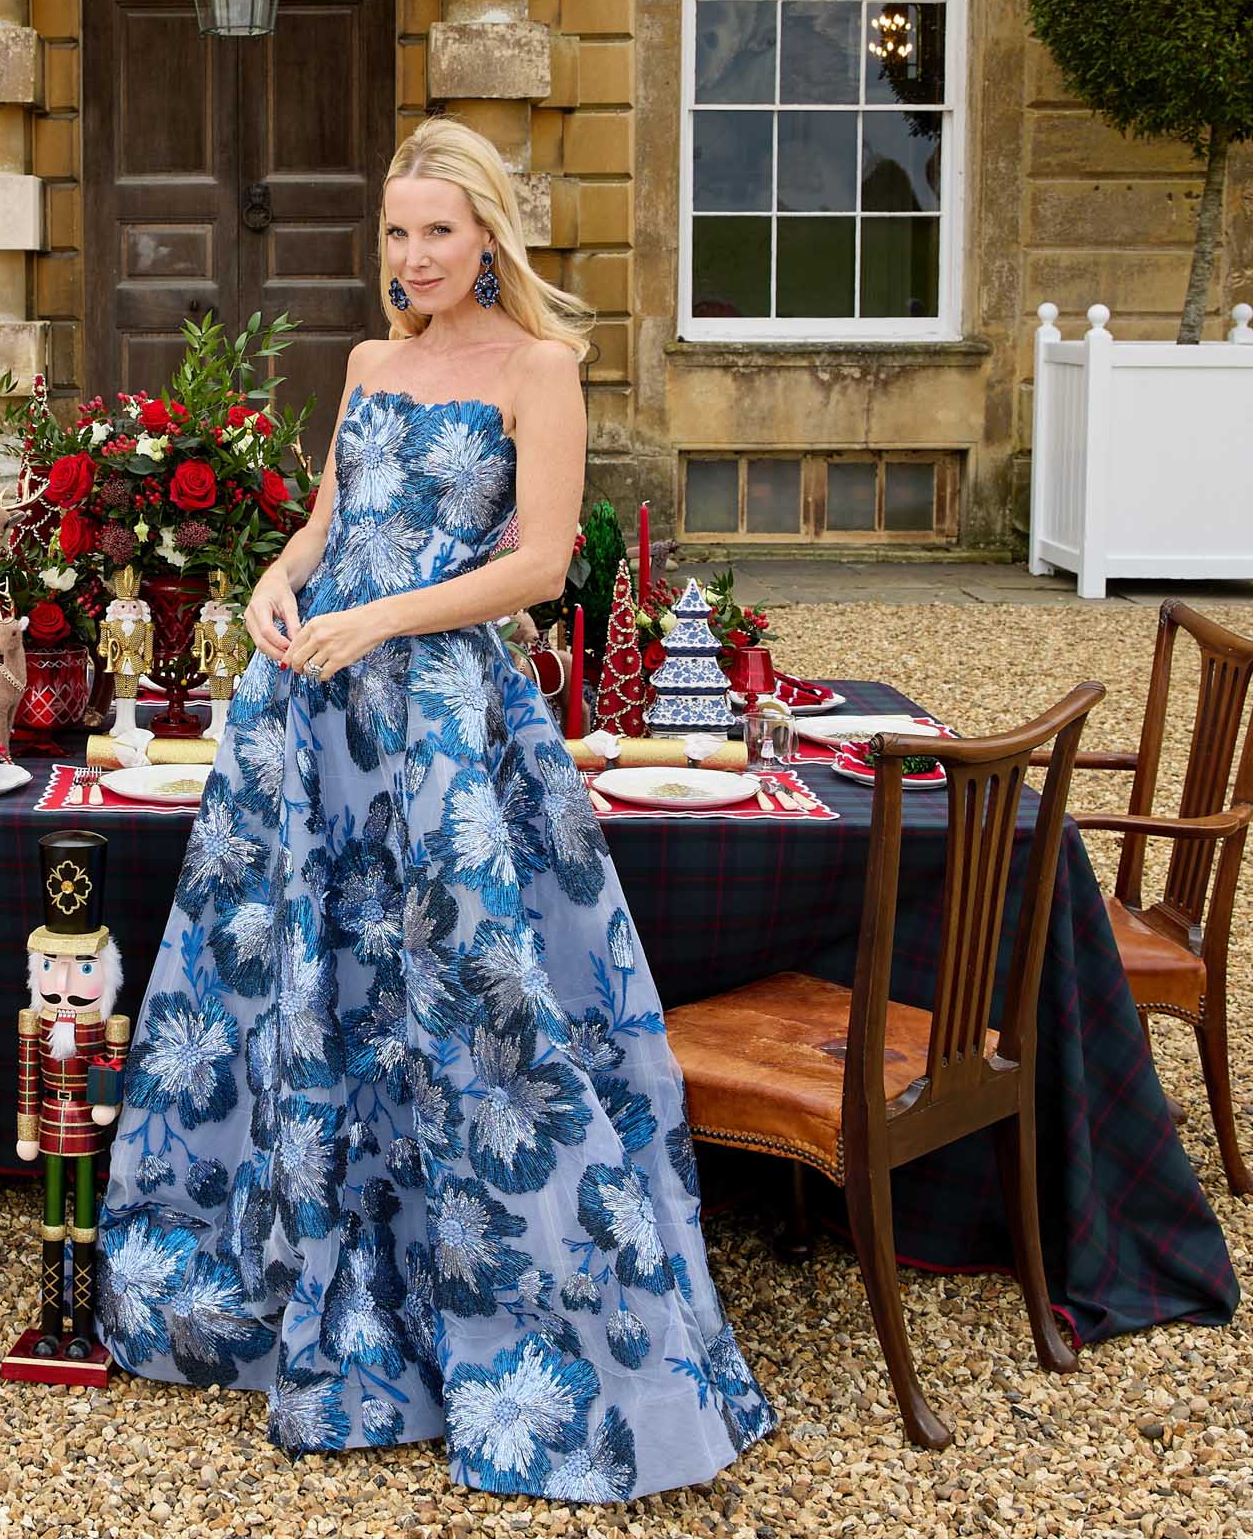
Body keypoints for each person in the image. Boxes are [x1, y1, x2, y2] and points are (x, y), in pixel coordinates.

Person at [95, 118, 773, 1499]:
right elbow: (336, 516)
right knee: (309, 983)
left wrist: (380, 622)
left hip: (448, 731)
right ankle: (321, 1280)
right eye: (396, 236)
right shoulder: (367, 362)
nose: (412, 260)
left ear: (488, 239)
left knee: (475, 1000)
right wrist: (281, 584)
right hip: (315, 711)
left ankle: (521, 1324)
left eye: (437, 235)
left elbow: (535, 567)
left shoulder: (540, 368)